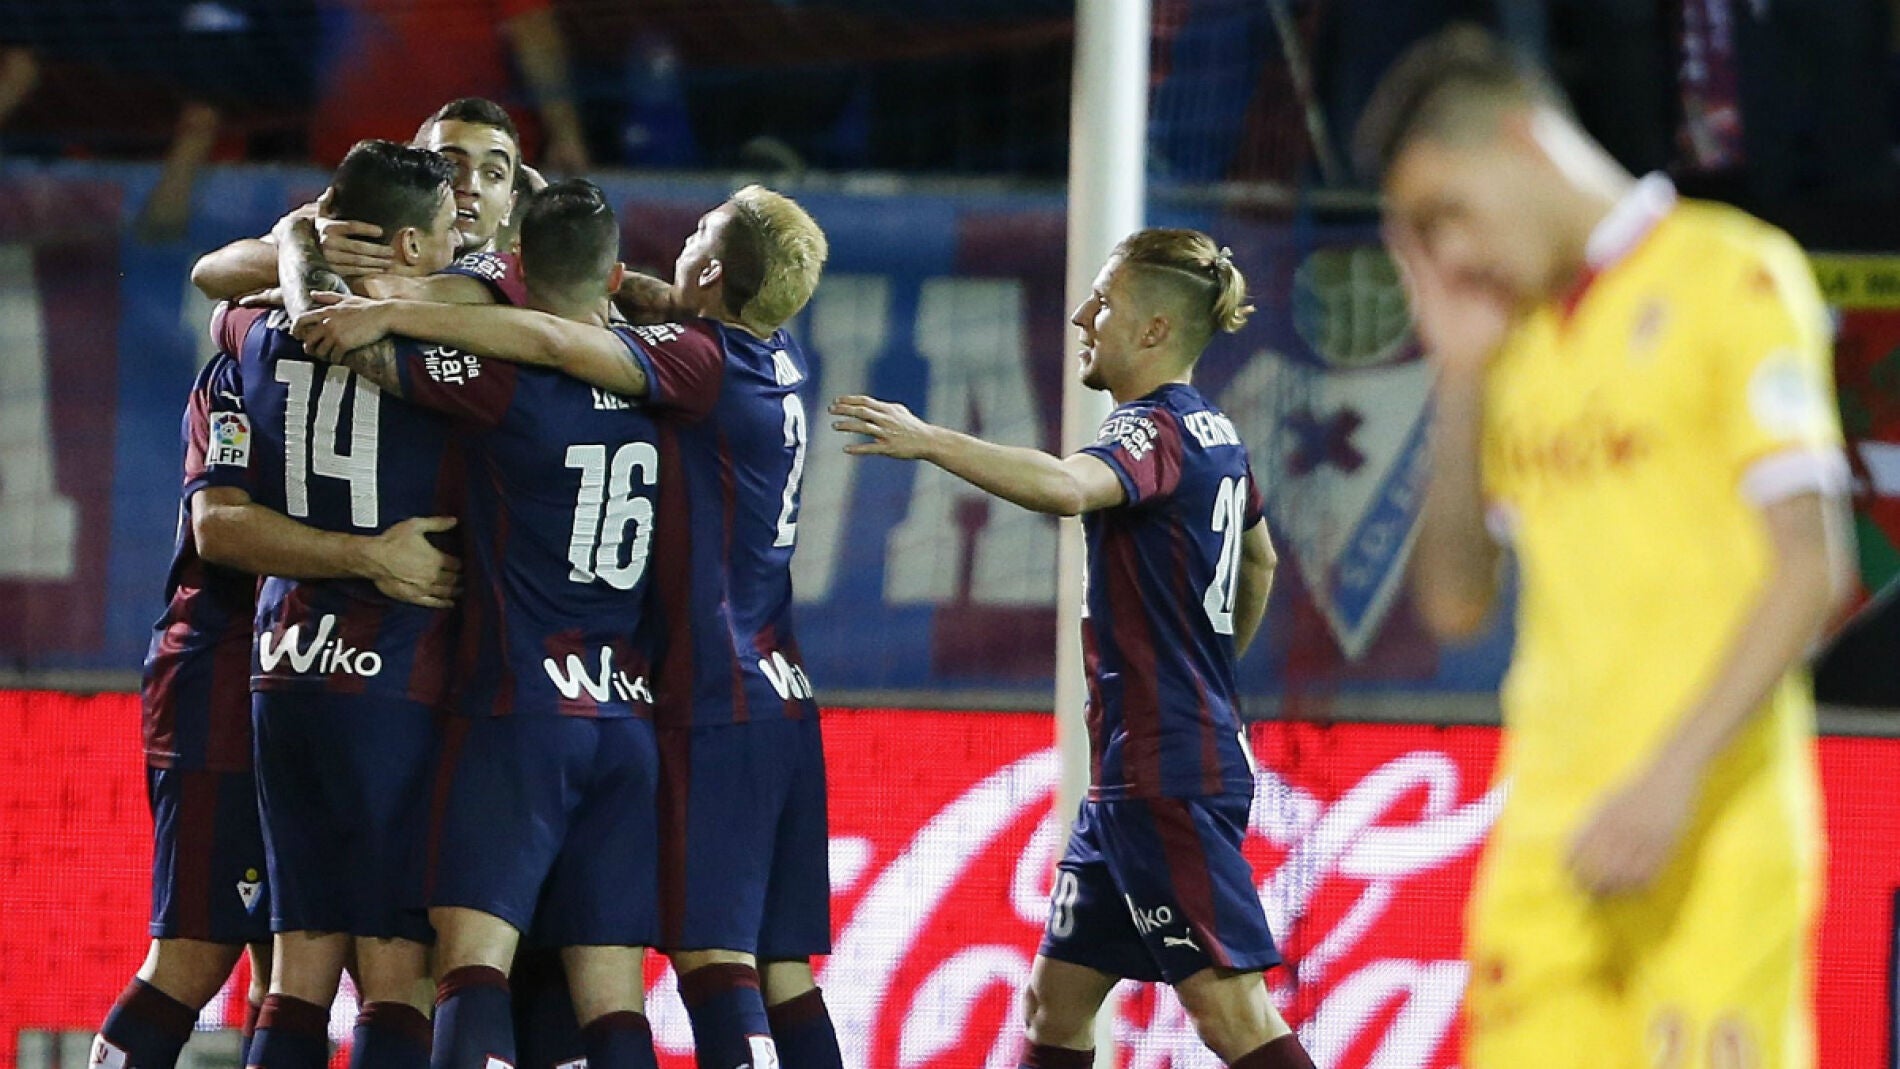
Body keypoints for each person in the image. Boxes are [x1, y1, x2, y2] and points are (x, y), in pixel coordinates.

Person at [1354, 25, 1854, 1069]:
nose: (1446, 255)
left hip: (1712, 827)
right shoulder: (1517, 344)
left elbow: (1813, 568)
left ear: (1520, 138)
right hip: (1553, 845)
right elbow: (1452, 605)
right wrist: (1457, 377)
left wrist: (1667, 780)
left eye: (1445, 213)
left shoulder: (1735, 274)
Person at [291, 184, 840, 1069]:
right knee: (672, 981)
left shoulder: (600, 374)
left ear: (705, 270)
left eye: (698, 234)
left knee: (486, 958)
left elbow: (527, 339)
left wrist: (361, 295)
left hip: (568, 704)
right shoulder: (755, 361)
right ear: (619, 275)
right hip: (646, 711)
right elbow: (633, 317)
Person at [826, 228, 1315, 1069]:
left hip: (1165, 773)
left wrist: (929, 439)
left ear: (1155, 330)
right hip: (1145, 769)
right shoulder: (1216, 434)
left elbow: (1062, 485)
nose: (1085, 315)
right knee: (1055, 1003)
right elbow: (1261, 558)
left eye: (1104, 301)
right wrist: (1210, 673)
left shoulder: (1152, 428)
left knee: (1233, 1016)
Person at [285, 180, 666, 1069]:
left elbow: (354, 348)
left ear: (517, 271)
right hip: (627, 715)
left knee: (469, 961)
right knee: (611, 994)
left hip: (521, 709)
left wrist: (303, 247)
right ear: (614, 275)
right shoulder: (675, 372)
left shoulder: (505, 386)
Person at [89, 347, 459, 1069]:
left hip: (336, 685)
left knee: (300, 961)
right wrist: (371, 556)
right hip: (223, 680)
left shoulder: (414, 351)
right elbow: (219, 528)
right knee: (195, 954)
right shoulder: (245, 358)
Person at [212, 139, 464, 1069]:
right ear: (404, 246)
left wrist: (297, 244)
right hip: (395, 663)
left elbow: (220, 288)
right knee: (396, 969)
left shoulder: (249, 330)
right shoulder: (435, 345)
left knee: (298, 966)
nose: (455, 252)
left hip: (284, 666)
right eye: (442, 235)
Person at [190, 97, 525, 302]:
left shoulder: (526, 267)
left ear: (509, 205)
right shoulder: (343, 228)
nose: (470, 185)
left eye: (493, 173)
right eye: (451, 164)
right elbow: (208, 272)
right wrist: (307, 256)